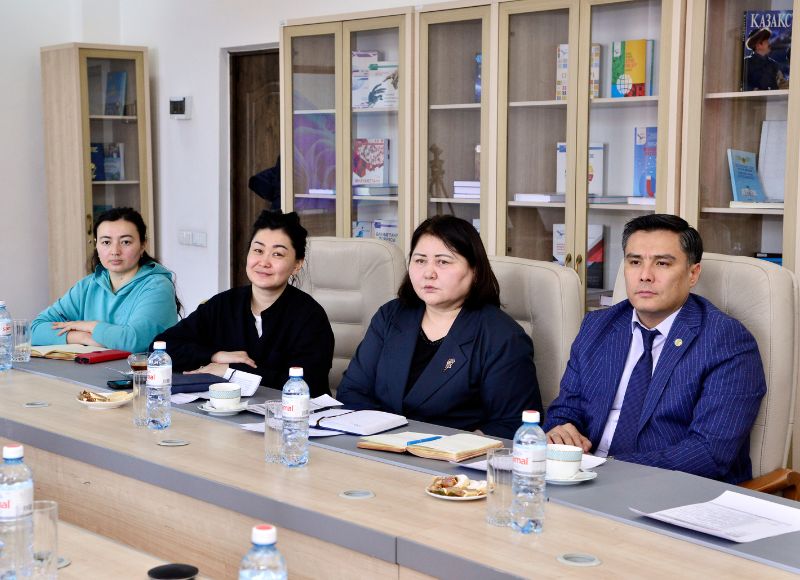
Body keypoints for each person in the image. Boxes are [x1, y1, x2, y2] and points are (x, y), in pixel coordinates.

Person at [544, 214, 766, 483]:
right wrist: (560, 429)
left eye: (662, 263)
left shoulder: (726, 341)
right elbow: (565, 408)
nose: (645, 276)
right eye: (635, 262)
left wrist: (606, 469)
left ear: (693, 273)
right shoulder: (598, 326)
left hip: (671, 490)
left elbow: (709, 454)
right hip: (582, 478)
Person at [337, 215, 542, 438]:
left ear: (474, 270)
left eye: (443, 262)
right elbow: (352, 391)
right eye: (420, 260)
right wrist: (384, 438)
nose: (428, 273)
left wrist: (460, 446)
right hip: (375, 447)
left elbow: (512, 424)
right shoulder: (391, 316)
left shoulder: (502, 336)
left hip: (453, 456)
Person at [154, 210, 334, 397]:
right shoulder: (223, 304)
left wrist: (230, 372)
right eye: (258, 250)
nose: (264, 262)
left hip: (290, 413)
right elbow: (161, 348)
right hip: (224, 410)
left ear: (297, 264)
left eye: (277, 254)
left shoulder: (310, 317)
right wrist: (215, 355)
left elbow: (307, 385)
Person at [31, 207, 180, 354]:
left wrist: (91, 326)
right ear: (96, 245)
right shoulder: (88, 286)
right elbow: (35, 329)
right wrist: (82, 337)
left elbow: (133, 341)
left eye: (126, 242)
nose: (115, 251)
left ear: (142, 245)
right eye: (106, 242)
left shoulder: (158, 286)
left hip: (143, 370)